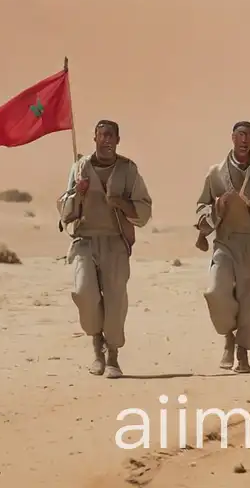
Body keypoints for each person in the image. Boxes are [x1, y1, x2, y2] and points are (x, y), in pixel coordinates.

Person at [57, 119, 152, 378]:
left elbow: (144, 211)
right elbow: (64, 212)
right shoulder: (80, 168)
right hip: (84, 241)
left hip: (115, 242)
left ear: (118, 140)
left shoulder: (128, 170)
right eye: (102, 135)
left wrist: (120, 203)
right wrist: (78, 193)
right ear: (95, 138)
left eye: (112, 136)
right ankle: (96, 344)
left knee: (115, 299)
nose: (107, 140)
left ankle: (111, 355)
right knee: (83, 293)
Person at [195, 120, 250, 372]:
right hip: (225, 242)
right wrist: (215, 209)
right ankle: (228, 335)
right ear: (232, 138)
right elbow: (201, 206)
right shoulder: (215, 172)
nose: (244, 140)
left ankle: (242, 353)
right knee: (216, 291)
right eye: (240, 135)